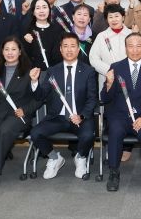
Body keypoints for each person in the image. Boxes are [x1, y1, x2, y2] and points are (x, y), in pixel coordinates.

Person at [30, 33, 98, 180]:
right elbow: (40, 96)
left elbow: (92, 99)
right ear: (60, 49)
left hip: (80, 117)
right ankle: (54, 158)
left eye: (73, 46)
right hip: (57, 117)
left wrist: (81, 116)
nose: (69, 49)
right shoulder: (52, 71)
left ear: (78, 49)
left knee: (88, 135)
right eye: (65, 46)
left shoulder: (88, 71)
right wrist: (35, 82)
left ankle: (80, 157)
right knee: (35, 133)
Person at [101, 33, 141, 191]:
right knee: (115, 131)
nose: (135, 50)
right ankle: (114, 172)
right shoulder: (116, 67)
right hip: (120, 116)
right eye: (131, 46)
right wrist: (109, 83)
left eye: (138, 46)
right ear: (125, 48)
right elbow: (105, 98)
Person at [0, 37, 39, 187]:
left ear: (20, 52)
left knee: (3, 131)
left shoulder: (29, 71)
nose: (10, 53)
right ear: (2, 52)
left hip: (18, 114)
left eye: (13, 49)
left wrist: (25, 110)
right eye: (6, 49)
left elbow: (38, 99)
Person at [88, 4, 136, 162]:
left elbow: (140, 53)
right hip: (108, 81)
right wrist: (109, 71)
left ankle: (126, 147)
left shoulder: (131, 34)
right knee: (110, 115)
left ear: (123, 17)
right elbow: (93, 58)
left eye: (117, 16)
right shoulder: (102, 36)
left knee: (130, 113)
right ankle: (111, 147)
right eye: (110, 17)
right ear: (106, 19)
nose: (114, 19)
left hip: (130, 81)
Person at [22, 0, 62, 70]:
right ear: (33, 12)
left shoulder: (57, 30)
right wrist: (27, 43)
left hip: (54, 71)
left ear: (49, 10)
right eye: (38, 8)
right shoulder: (27, 30)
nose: (41, 11)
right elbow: (23, 56)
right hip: (33, 72)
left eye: (44, 7)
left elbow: (59, 55)